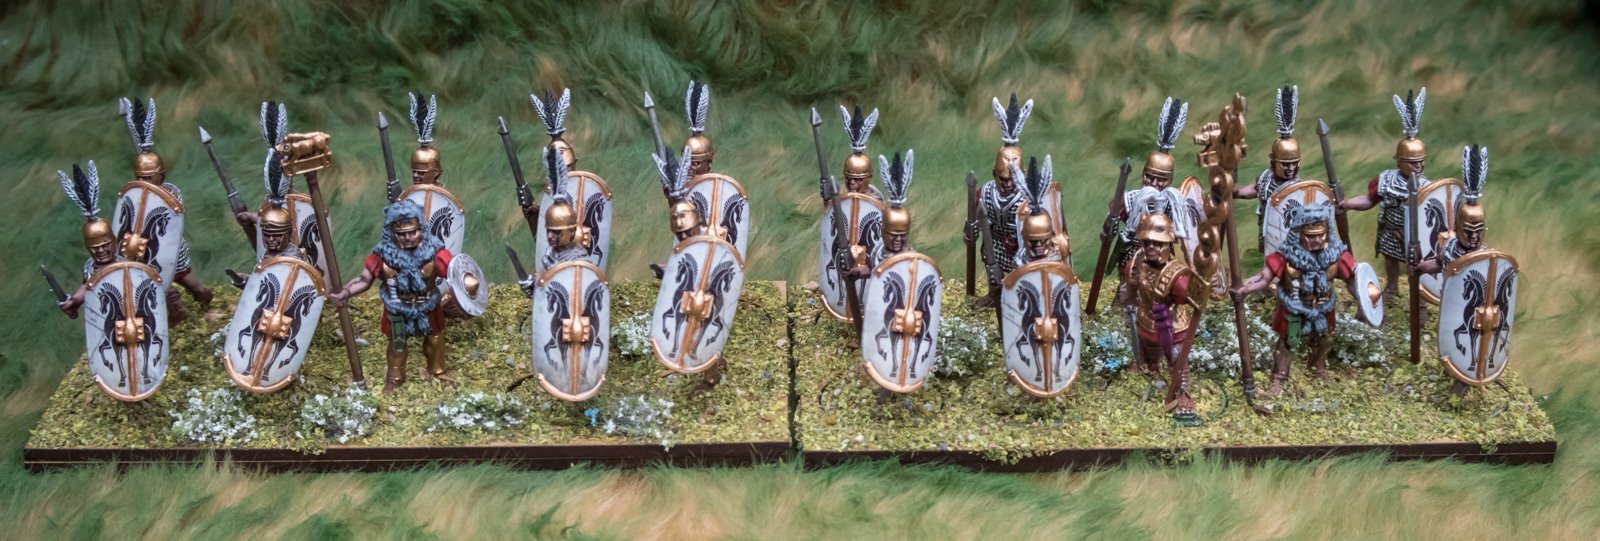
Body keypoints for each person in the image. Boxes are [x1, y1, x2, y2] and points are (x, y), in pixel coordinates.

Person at [1232, 204, 1359, 398]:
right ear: (1299, 233)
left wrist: (1364, 299)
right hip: (1295, 305)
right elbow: (1264, 278)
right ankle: (1280, 376)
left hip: (1323, 305)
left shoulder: (1335, 254)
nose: (1317, 240)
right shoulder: (1287, 255)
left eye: (1321, 235)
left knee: (1321, 339)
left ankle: (1318, 369)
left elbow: (1353, 279)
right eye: (1311, 236)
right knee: (1288, 342)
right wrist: (1244, 289)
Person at [328, 200, 454, 393]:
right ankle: (395, 378)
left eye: (413, 232)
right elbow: (364, 279)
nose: (409, 238)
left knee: (435, 339)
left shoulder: (435, 252)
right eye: (402, 234)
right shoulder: (383, 255)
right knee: (397, 344)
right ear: (392, 233)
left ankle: (437, 370)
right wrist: (347, 292)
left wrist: (465, 287)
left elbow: (455, 271)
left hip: (427, 304)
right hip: (397, 306)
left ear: (421, 229)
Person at [1339, 88, 1428, 299]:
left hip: (1416, 236)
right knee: (1391, 260)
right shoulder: (1386, 180)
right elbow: (1369, 200)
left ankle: (1422, 301)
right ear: (1400, 161)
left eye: (1421, 162)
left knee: (1419, 266)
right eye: (1413, 163)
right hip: (1391, 231)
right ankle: (1392, 287)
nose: (1418, 166)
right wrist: (1348, 204)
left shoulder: (1427, 187)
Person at [972, 94, 1035, 307]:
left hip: (1020, 245)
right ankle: (994, 295)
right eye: (1003, 179)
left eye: (1012, 179)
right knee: (993, 271)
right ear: (994, 174)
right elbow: (973, 220)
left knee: (1021, 275)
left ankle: (1020, 299)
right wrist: (971, 229)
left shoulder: (1029, 197)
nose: (1007, 183)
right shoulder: (985, 192)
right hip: (994, 242)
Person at [1233, 85, 1303, 251]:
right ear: (1274, 162)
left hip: (1291, 241)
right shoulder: (1266, 178)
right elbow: (1256, 190)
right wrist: (1235, 193)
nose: (1291, 168)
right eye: (1286, 164)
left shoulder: (1299, 187)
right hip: (1268, 236)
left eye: (1294, 163)